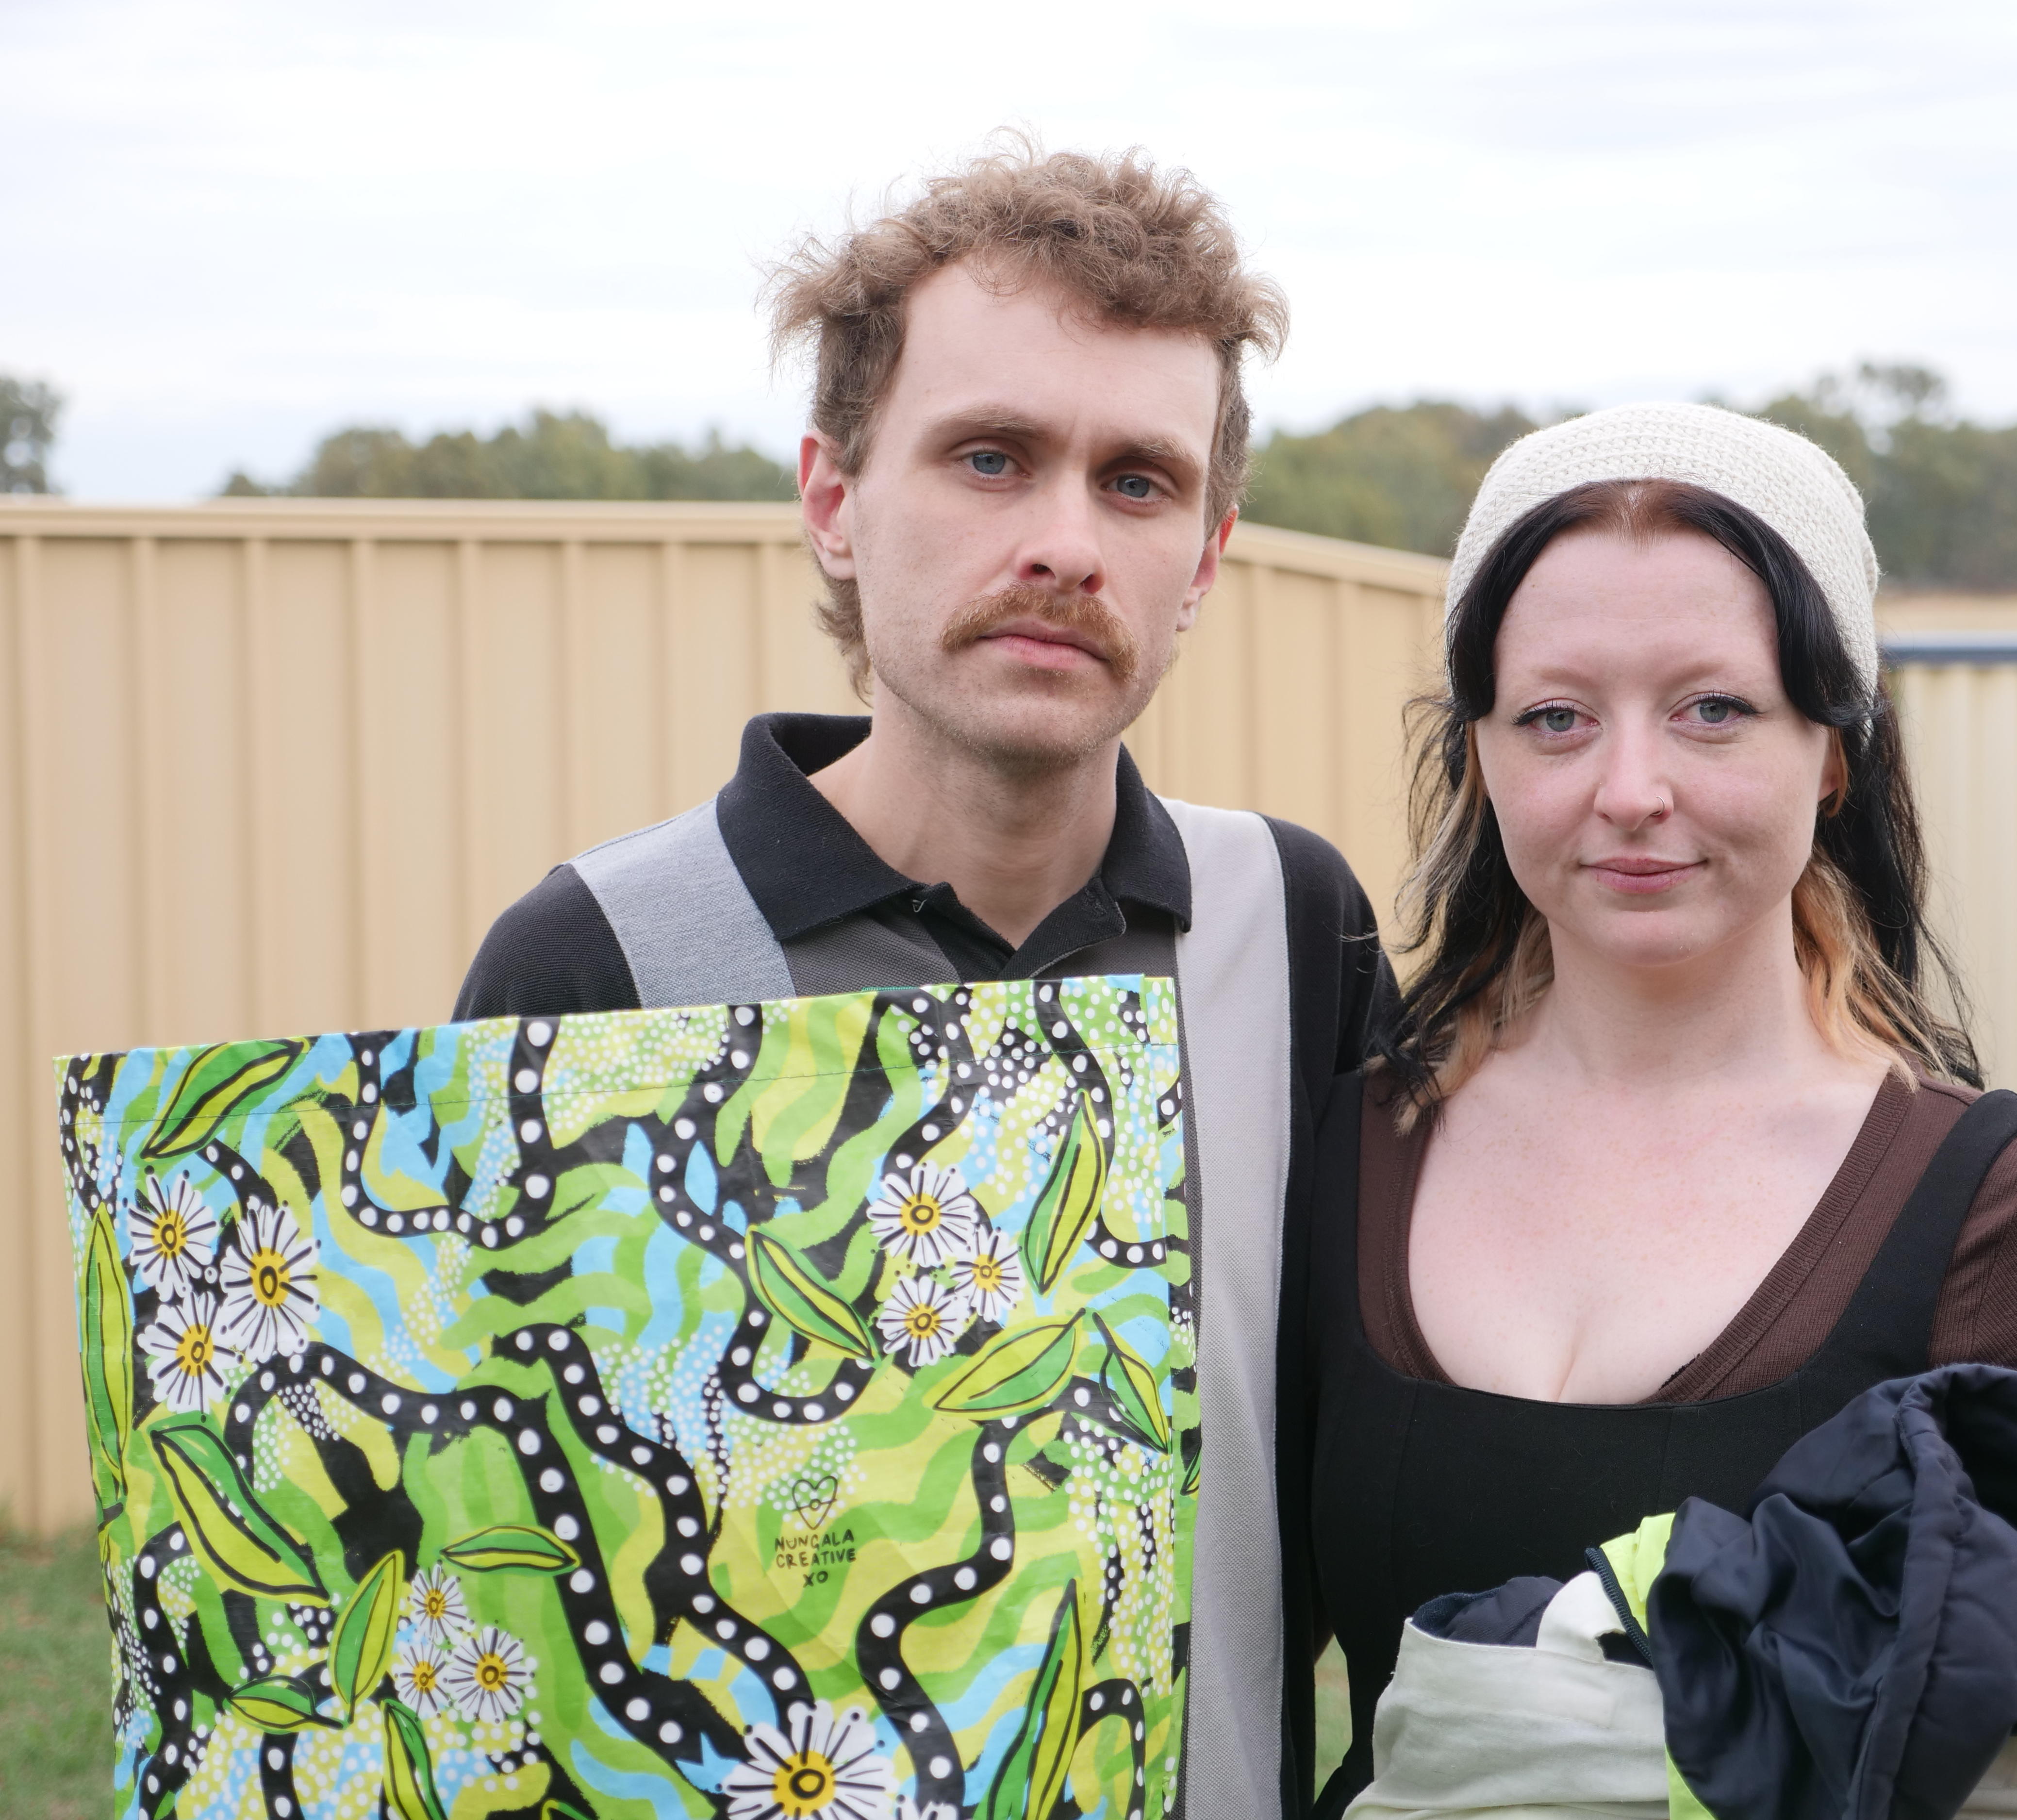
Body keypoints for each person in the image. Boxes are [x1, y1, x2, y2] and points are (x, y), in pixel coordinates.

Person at [459, 140, 1394, 1820]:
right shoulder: (597, 958)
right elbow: (505, 1584)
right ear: (832, 499)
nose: (1066, 541)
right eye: (989, 457)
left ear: (1208, 552)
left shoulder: (1296, 925)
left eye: (1137, 481)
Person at [1276, 403, 2017, 1818]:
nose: (1630, 789)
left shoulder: (1985, 1206)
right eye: (1555, 717)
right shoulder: (1343, 1152)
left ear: (1836, 748)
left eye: (1713, 708)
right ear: (1479, 753)